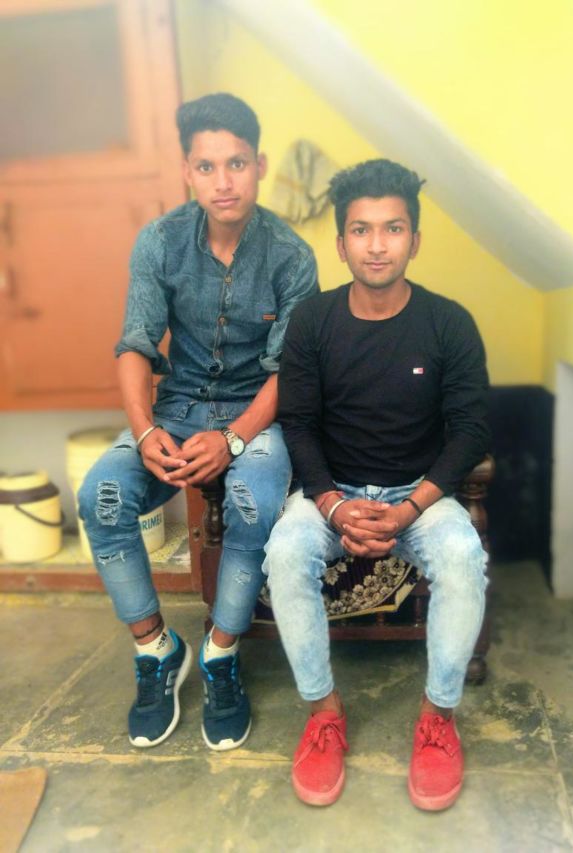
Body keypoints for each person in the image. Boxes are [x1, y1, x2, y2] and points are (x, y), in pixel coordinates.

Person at [78, 93, 318, 752]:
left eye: (236, 163)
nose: (223, 181)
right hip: (174, 409)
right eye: (207, 166)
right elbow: (135, 344)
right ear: (188, 171)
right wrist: (145, 430)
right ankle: (156, 648)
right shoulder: (159, 241)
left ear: (259, 165)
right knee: (100, 496)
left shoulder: (292, 257)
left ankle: (220, 653)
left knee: (252, 500)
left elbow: (291, 371)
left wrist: (235, 438)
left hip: (257, 415)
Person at [263, 159, 490, 810]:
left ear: (415, 239)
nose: (377, 245)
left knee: (462, 554)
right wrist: (333, 505)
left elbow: (470, 429)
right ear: (341, 244)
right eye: (361, 230)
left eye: (393, 228)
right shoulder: (313, 321)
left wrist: (411, 506)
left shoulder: (449, 323)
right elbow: (298, 422)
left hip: (420, 493)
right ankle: (323, 713)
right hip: (332, 492)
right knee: (286, 551)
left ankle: (438, 718)